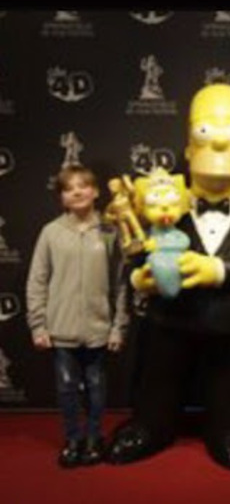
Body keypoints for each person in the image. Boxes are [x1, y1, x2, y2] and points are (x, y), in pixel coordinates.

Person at [107, 83, 230, 472]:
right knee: (159, 374)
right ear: (188, 148)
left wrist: (216, 270)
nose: (219, 144)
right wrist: (140, 281)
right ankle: (150, 426)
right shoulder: (163, 211)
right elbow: (137, 253)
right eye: (206, 133)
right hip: (173, 318)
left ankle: (229, 429)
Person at [26, 165, 129, 468]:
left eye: (83, 185)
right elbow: (37, 281)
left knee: (96, 387)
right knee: (66, 387)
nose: (77, 192)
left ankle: (94, 438)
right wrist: (38, 326)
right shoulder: (51, 232)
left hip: (99, 328)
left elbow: (121, 283)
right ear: (62, 198)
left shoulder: (111, 231)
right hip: (61, 329)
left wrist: (118, 327)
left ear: (95, 192)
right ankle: (73, 439)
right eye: (69, 188)